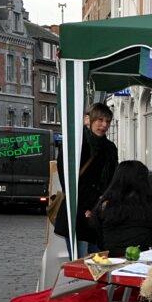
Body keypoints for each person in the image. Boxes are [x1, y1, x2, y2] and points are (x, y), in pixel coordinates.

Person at [54, 102, 119, 258]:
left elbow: (114, 180)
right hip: (78, 214)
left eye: (107, 122)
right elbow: (68, 182)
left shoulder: (110, 148)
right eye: (100, 120)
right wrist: (86, 209)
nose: (104, 125)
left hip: (100, 216)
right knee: (81, 265)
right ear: (88, 120)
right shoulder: (74, 145)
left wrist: (104, 205)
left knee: (102, 263)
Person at [89, 160, 152, 254]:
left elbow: (99, 239)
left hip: (110, 260)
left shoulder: (105, 206)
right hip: (141, 259)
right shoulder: (151, 206)